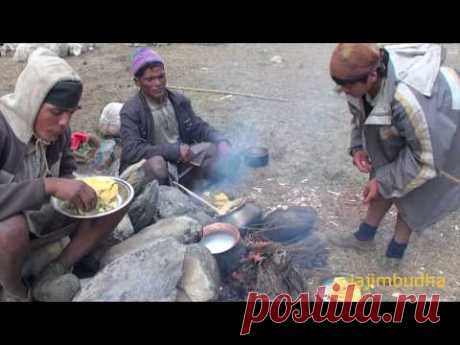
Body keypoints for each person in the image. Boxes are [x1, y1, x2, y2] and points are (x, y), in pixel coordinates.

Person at [0, 48, 126, 301]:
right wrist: (48, 185)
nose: (64, 122)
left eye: (71, 112)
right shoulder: (4, 129)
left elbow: (67, 172)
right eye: (56, 112)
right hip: (12, 225)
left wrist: (74, 186)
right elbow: (52, 185)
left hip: (44, 216)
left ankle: (57, 269)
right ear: (32, 100)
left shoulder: (61, 132)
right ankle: (15, 291)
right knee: (10, 230)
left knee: (117, 200)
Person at [328, 43, 460, 263]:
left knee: (418, 188)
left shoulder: (409, 103)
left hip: (447, 121)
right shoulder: (357, 81)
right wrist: (357, 147)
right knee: (385, 168)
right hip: (418, 124)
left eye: (347, 86)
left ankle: (395, 252)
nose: (344, 91)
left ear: (371, 76)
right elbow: (360, 115)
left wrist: (383, 182)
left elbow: (426, 161)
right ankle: (364, 237)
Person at [119, 48, 234, 191]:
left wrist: (221, 140)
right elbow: (131, 151)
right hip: (154, 164)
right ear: (137, 82)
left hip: (181, 160)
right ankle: (166, 197)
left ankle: (188, 187)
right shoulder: (131, 111)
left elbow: (198, 127)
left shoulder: (178, 101)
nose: (158, 83)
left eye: (161, 77)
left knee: (212, 149)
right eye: (150, 79)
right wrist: (173, 151)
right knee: (158, 164)